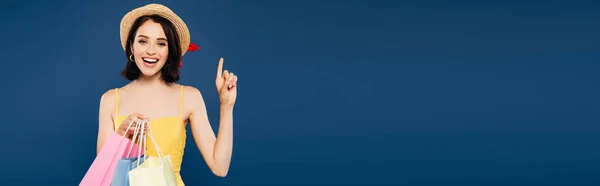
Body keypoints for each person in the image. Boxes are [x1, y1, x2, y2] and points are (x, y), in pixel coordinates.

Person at [95, 4, 237, 185]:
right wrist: (121, 134)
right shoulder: (110, 100)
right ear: (131, 46)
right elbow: (102, 173)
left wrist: (226, 106)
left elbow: (220, 167)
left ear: (170, 51)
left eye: (161, 43)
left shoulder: (189, 97)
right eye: (143, 41)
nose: (151, 51)